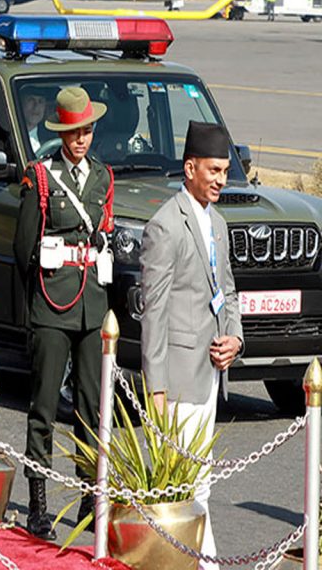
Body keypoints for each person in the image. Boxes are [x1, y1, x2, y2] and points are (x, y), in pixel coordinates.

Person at [13, 86, 115, 540]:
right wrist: (32, 308)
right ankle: (38, 505)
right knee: (44, 406)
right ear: (61, 132)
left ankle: (89, 498)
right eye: (74, 133)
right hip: (52, 305)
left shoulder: (103, 177)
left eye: (87, 131)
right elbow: (23, 247)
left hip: (91, 306)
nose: (81, 140)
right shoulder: (41, 176)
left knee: (91, 405)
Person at [140, 120, 243, 570]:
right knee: (182, 486)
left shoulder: (217, 223)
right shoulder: (166, 225)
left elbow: (229, 291)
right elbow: (154, 313)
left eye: (225, 171)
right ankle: (204, 562)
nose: (221, 180)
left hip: (210, 375)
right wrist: (156, 389)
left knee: (201, 482)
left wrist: (235, 338)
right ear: (190, 168)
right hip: (179, 379)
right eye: (213, 171)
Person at [21, 89, 50, 156]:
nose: (36, 107)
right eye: (31, 100)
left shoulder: (51, 137)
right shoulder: (9, 139)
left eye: (41, 101)